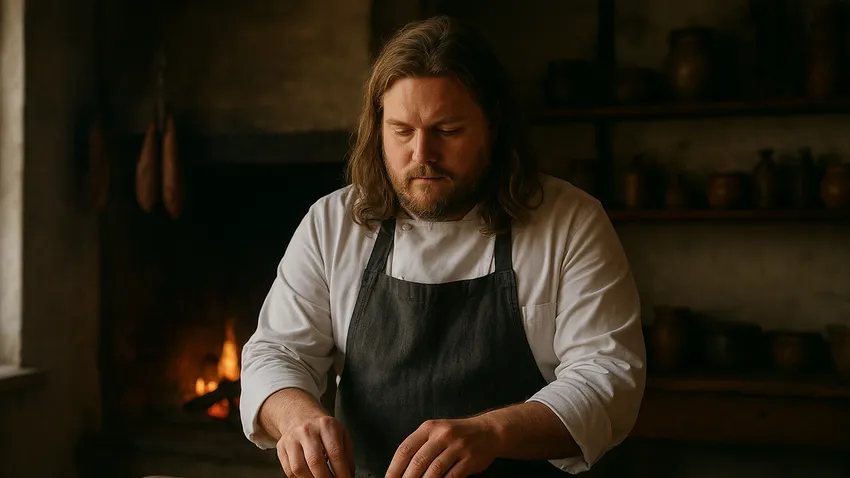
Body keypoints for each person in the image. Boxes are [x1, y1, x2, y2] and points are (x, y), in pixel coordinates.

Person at [239, 15, 646, 478]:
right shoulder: (333, 223)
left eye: (447, 131)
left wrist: (492, 433)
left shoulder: (570, 222)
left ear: (493, 126)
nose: (422, 155)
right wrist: (298, 419)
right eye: (402, 131)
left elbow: (608, 377)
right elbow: (276, 353)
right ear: (378, 128)